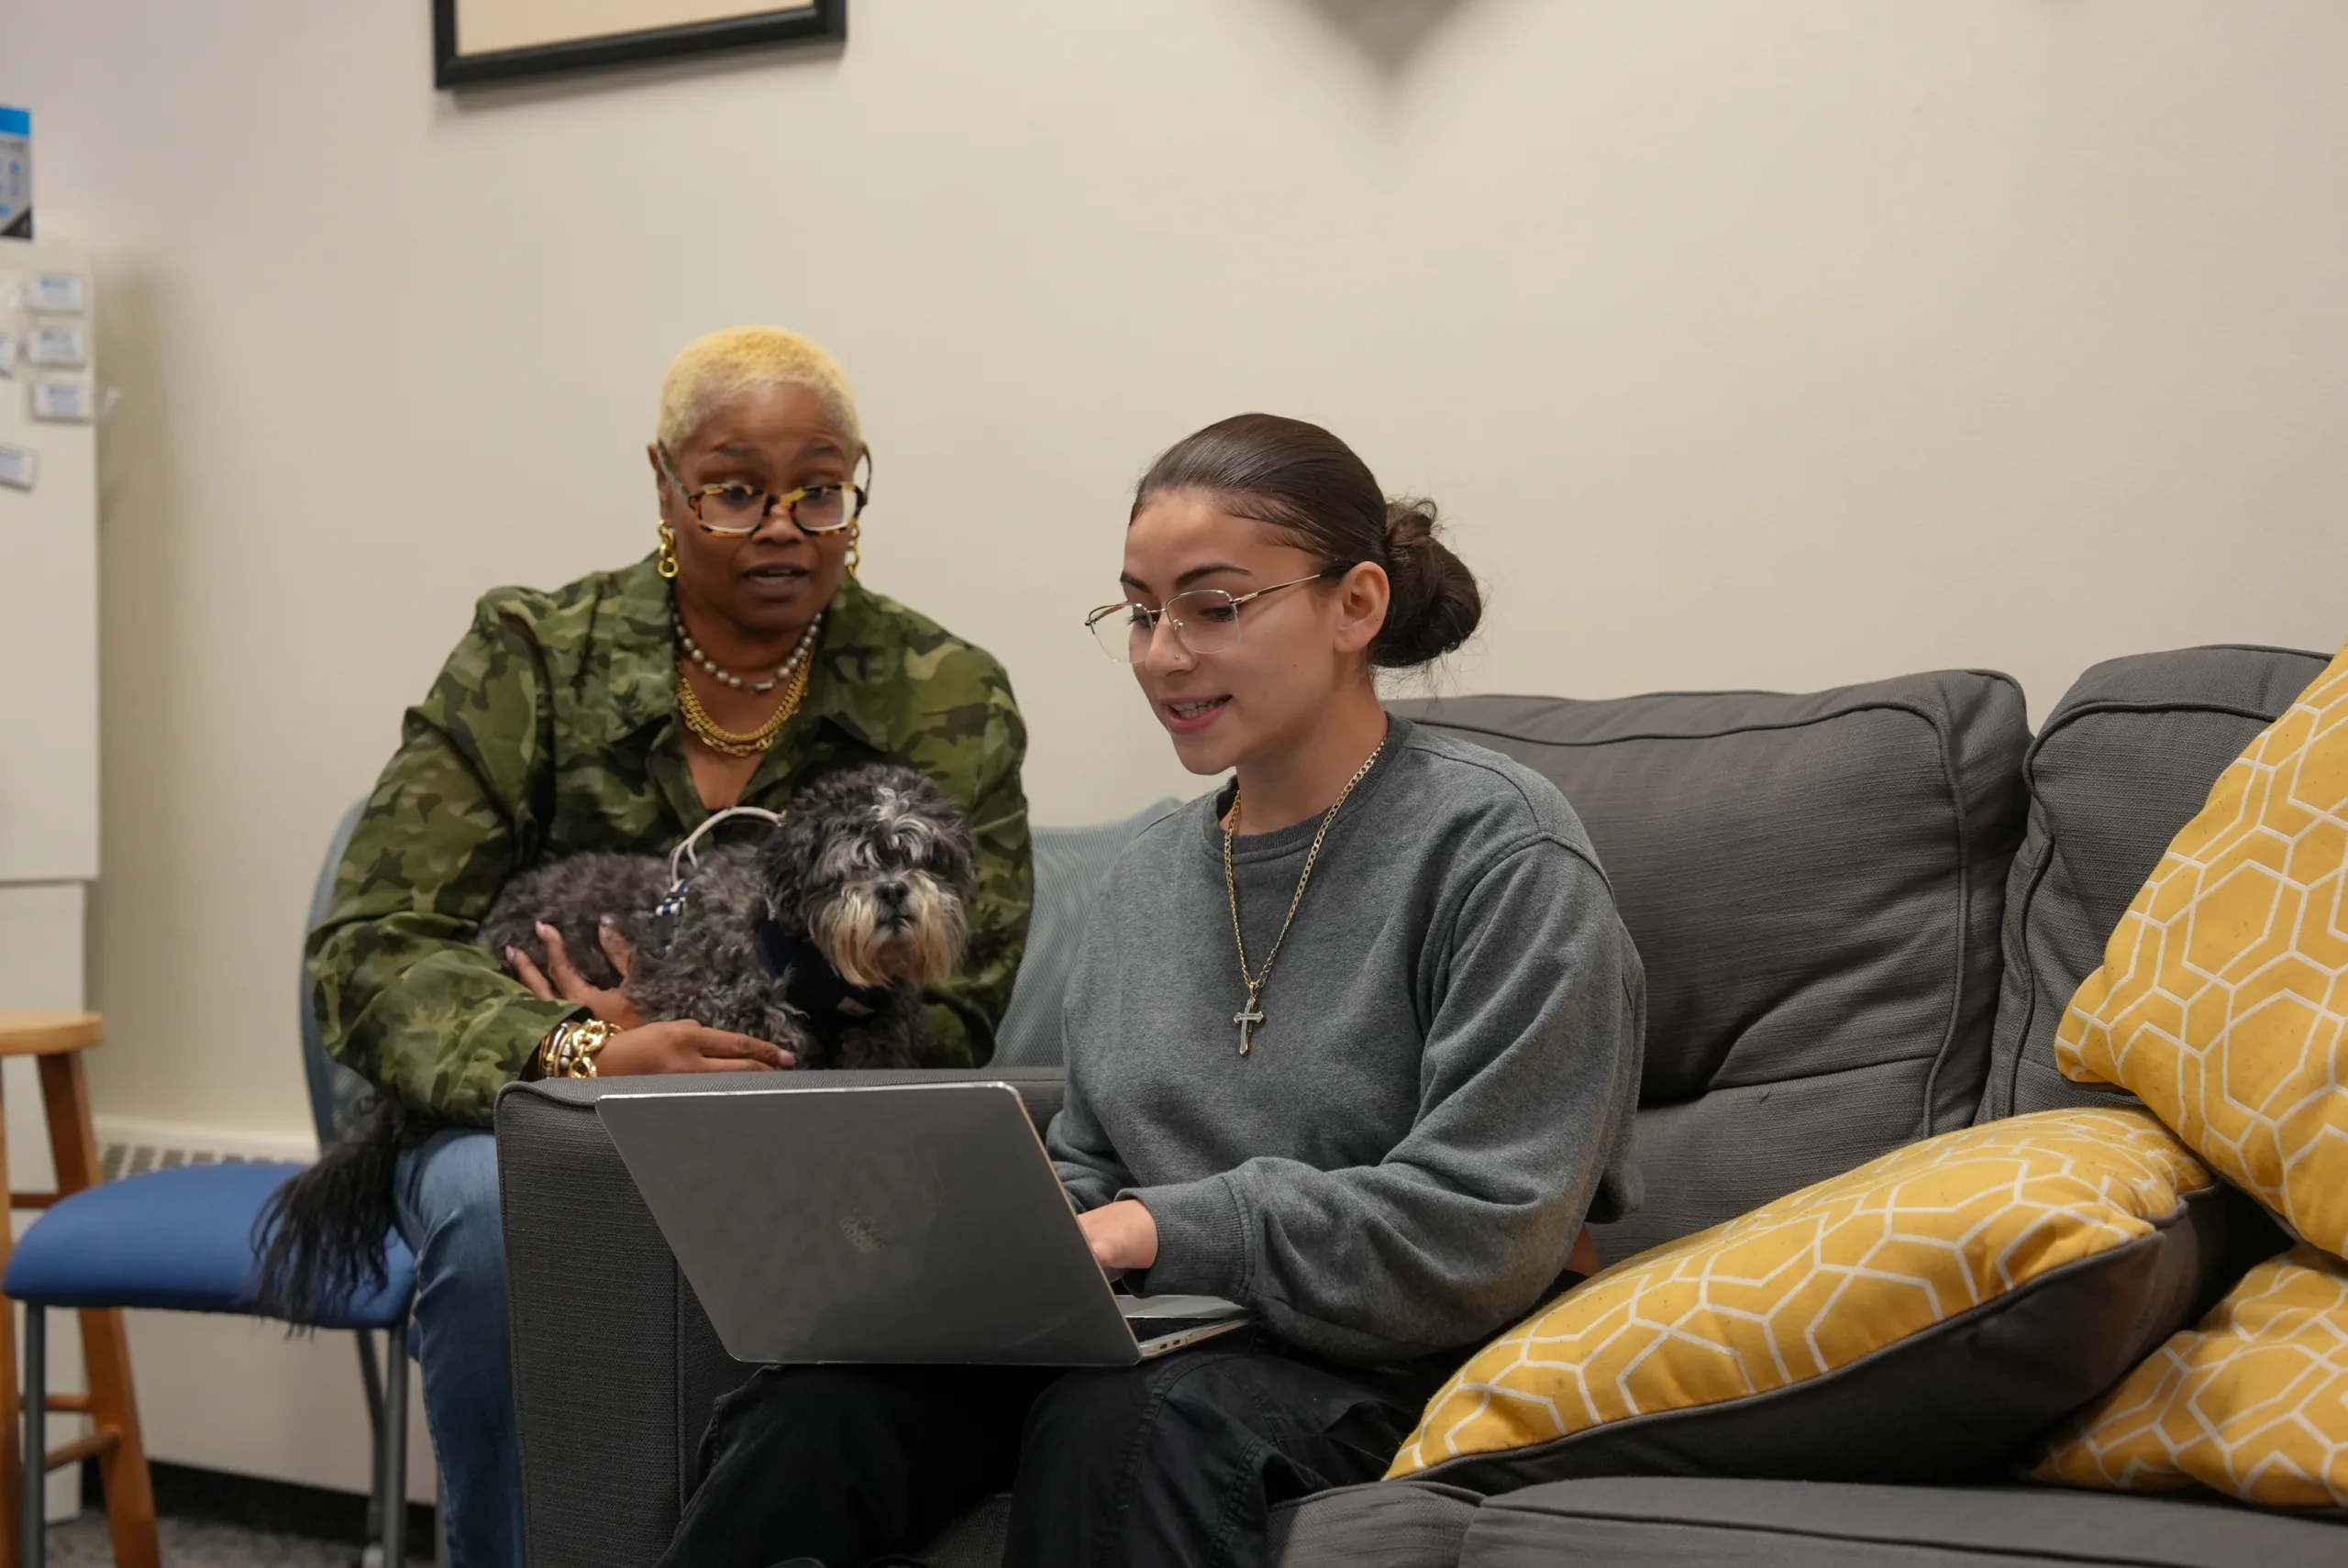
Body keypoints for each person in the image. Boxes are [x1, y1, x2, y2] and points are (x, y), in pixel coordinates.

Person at [661, 413, 1645, 1568]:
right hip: (1147, 1334)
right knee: (814, 1416)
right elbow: (1099, 1156)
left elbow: (1486, 1225)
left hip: (1379, 1355)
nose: (1163, 654)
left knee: (1122, 1426)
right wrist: (964, 1244)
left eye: (1213, 607)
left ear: (1357, 606)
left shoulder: (1499, 852)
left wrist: (1155, 1230)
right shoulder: (1150, 876)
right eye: (1138, 611)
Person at [307, 326, 1033, 1568]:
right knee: (506, 1213)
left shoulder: (940, 688)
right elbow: (370, 944)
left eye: (821, 487)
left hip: (815, 1108)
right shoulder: (532, 656)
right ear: (664, 484)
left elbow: (956, 1001)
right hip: (524, 1106)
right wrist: (583, 1044)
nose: (785, 523)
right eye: (737, 487)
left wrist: (751, 1069)